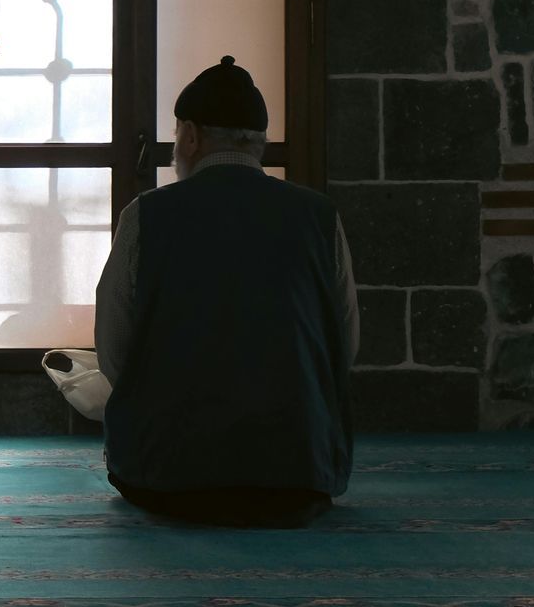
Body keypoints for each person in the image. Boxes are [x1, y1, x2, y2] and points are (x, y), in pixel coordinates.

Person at [94, 57, 358, 528]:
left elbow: (114, 347)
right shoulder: (318, 215)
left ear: (191, 136)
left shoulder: (147, 215)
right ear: (258, 142)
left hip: (168, 480)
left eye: (177, 137)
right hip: (297, 480)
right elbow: (345, 340)